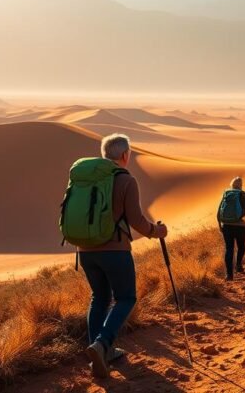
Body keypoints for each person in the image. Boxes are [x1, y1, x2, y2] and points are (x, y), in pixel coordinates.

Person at [78, 134, 168, 379]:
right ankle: (102, 344)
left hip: (85, 251)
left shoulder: (86, 178)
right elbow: (136, 220)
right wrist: (156, 231)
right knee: (126, 298)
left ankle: (100, 352)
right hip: (115, 251)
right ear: (125, 155)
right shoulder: (125, 180)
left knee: (99, 297)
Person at [217, 176, 245, 280]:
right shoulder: (242, 194)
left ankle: (229, 274)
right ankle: (238, 265)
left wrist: (220, 225)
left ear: (232, 184)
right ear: (241, 185)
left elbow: (219, 210)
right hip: (239, 226)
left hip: (226, 226)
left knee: (229, 249)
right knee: (241, 247)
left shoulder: (226, 194)